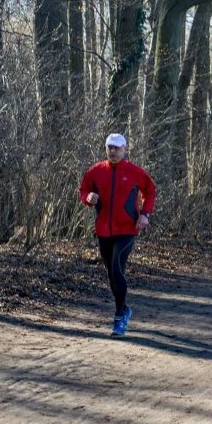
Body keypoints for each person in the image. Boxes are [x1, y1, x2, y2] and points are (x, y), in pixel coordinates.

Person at [79, 133, 156, 337]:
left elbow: (150, 191)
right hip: (103, 229)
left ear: (125, 149)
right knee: (112, 275)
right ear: (106, 149)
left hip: (127, 229)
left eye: (117, 148)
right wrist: (88, 198)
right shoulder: (96, 171)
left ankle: (119, 318)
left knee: (117, 269)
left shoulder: (134, 171)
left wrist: (145, 215)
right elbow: (84, 189)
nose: (113, 151)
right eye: (110, 148)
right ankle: (124, 309)